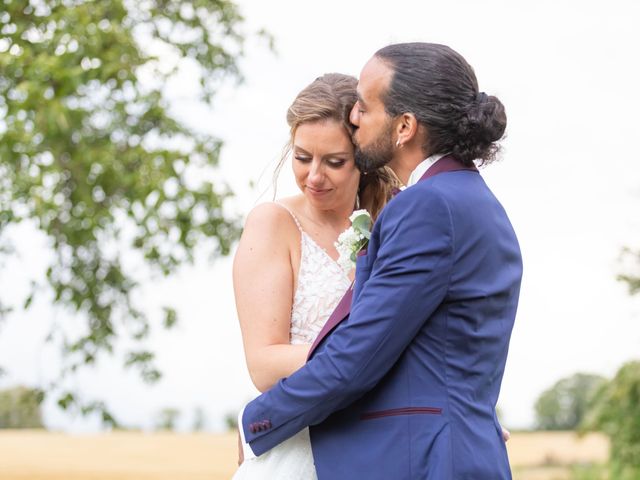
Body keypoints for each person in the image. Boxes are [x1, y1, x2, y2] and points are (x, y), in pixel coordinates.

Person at [239, 43, 523, 479]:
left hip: (425, 458)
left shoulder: (425, 206)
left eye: (366, 109)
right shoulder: (476, 200)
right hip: (444, 448)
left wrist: (256, 422)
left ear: (405, 125)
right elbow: (430, 347)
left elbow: (362, 354)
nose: (355, 116)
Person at [232, 73, 400, 479]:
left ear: (362, 157)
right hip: (300, 446)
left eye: (334, 162)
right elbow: (263, 364)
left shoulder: (393, 223)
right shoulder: (274, 224)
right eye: (302, 157)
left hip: (383, 447)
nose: (314, 176)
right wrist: (360, 359)